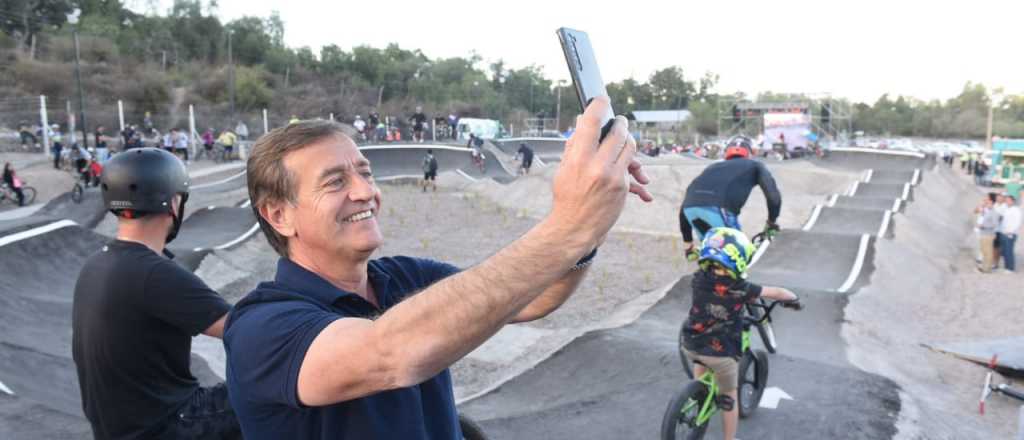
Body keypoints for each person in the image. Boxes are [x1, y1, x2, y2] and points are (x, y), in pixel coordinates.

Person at [222, 97, 651, 439]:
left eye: (366, 173)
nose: (365, 191)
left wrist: (592, 224)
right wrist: (568, 225)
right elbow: (390, 354)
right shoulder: (260, 325)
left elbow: (534, 298)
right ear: (279, 215)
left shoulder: (406, 278)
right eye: (336, 181)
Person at [72, 148, 241, 439]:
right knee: (272, 395)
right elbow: (247, 330)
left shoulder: (95, 263)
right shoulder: (154, 273)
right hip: (168, 426)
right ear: (174, 203)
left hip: (117, 429)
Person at [682, 227, 801, 440]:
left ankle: (696, 395)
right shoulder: (741, 288)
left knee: (701, 360)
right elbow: (777, 293)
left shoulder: (698, 278)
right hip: (721, 355)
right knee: (729, 397)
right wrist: (794, 299)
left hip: (690, 342)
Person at [679, 135, 782, 259]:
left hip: (690, 210)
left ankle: (707, 276)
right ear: (749, 153)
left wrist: (688, 245)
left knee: (713, 254)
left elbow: (688, 201)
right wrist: (771, 223)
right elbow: (773, 196)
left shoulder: (712, 167)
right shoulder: (755, 165)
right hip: (719, 210)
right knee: (739, 256)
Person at [975, 193, 1000, 273]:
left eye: (988, 202)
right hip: (983, 234)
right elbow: (976, 212)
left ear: (992, 203)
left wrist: (983, 226)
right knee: (984, 251)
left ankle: (987, 269)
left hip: (988, 235)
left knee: (988, 252)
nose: (986, 203)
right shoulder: (987, 211)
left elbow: (995, 224)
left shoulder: (994, 212)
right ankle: (984, 267)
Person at [997, 195, 1021, 273]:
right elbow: (1002, 220)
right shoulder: (1006, 209)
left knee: (1009, 251)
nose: (1007, 202)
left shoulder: (1016, 210)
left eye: (1008, 200)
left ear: (1013, 201)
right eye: (1006, 200)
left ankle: (1010, 268)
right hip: (1003, 233)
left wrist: (1010, 231)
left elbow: (1017, 222)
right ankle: (1006, 267)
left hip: (1010, 234)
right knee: (1004, 251)